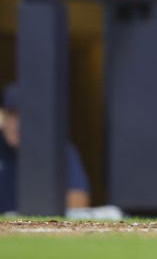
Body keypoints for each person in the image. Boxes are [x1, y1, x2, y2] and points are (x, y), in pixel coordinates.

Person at [0, 83, 90, 213]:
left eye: (27, 116)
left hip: (38, 229)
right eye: (13, 115)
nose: (19, 124)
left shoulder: (57, 149)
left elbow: (78, 204)